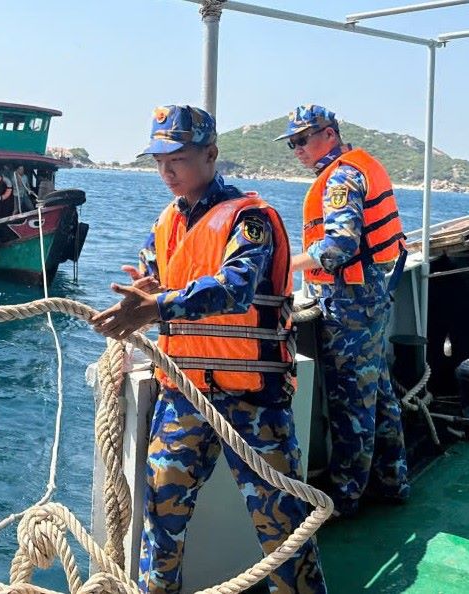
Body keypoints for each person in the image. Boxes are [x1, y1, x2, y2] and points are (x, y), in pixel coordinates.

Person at [91, 105, 327, 594]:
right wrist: (150, 290)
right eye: (158, 161)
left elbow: (236, 287)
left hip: (254, 403)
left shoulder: (250, 220)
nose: (166, 171)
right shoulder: (165, 225)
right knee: (159, 519)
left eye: (176, 158)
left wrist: (157, 306)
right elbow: (155, 284)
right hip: (184, 395)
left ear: (211, 154)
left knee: (283, 532)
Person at [276, 104, 409, 517]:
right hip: (371, 295)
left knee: (352, 400)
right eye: (292, 143)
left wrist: (285, 265)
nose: (297, 149)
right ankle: (392, 481)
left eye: (303, 139)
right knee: (377, 394)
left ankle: (346, 498)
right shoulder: (354, 166)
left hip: (350, 302)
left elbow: (340, 246)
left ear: (329, 134)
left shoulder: (341, 177)